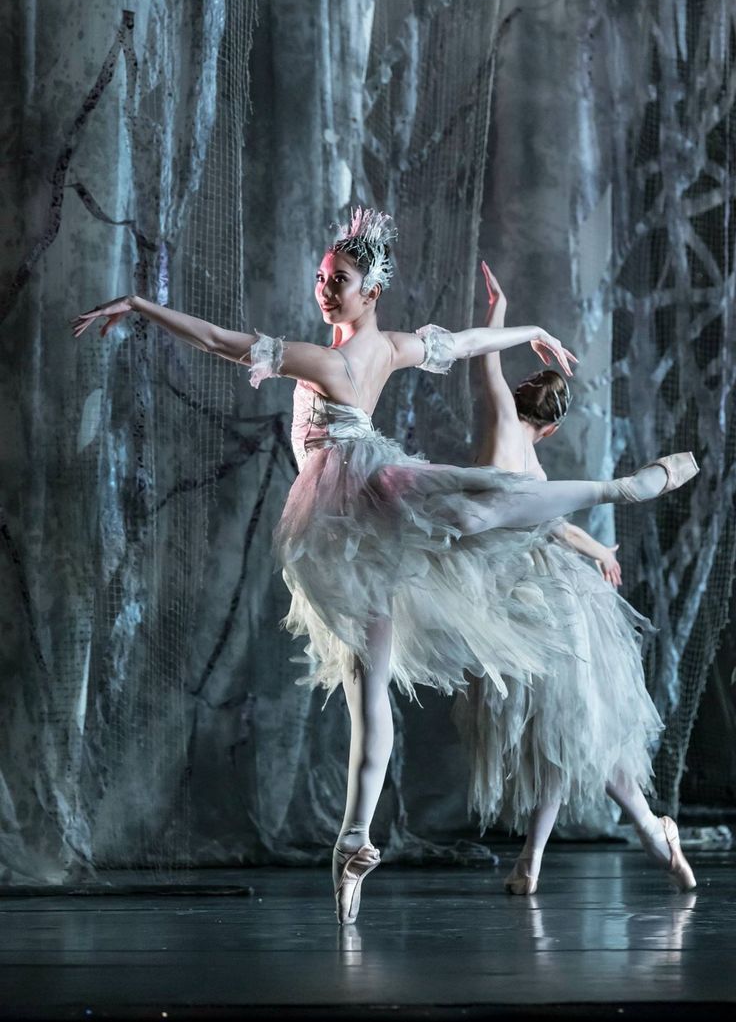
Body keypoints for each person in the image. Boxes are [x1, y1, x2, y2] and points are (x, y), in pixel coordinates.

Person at [72, 209, 698, 922]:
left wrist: (142, 305)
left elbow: (221, 341)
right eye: (321, 278)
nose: (324, 289)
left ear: (371, 293)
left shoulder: (327, 362)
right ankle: (354, 840)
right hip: (366, 518)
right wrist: (526, 329)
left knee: (469, 514)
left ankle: (622, 489)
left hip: (353, 510)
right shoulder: (388, 348)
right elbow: (466, 344)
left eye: (338, 281)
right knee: (393, 647)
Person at [453, 261, 697, 895]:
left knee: (564, 728)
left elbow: (551, 522)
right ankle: (639, 835)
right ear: (554, 426)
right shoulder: (517, 441)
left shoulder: (502, 432)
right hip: (534, 596)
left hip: (529, 596)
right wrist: (598, 553)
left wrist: (499, 311)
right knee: (565, 729)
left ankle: (548, 857)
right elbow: (549, 518)